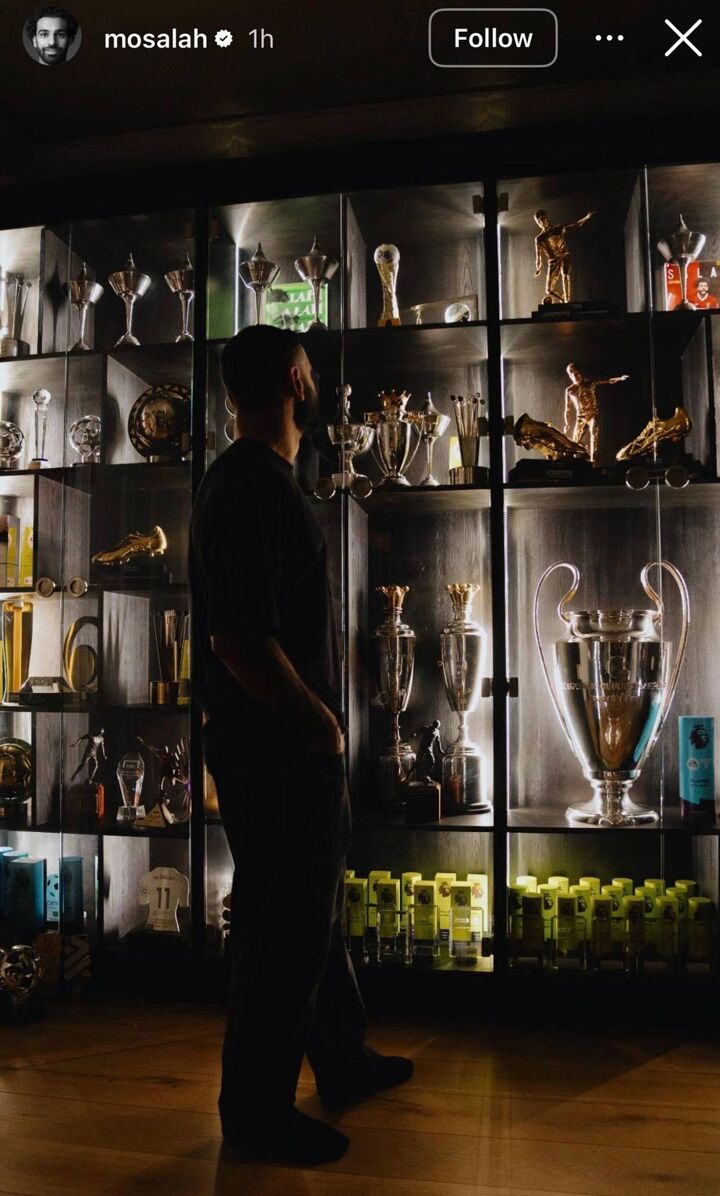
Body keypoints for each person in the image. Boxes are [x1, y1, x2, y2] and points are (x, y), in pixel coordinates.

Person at [189, 325, 412, 1166]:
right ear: (293, 378)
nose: (314, 381)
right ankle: (255, 1115)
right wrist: (317, 724)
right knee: (280, 925)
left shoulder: (256, 481)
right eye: (311, 370)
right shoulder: (252, 486)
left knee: (313, 910)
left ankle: (341, 1058)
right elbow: (238, 638)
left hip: (285, 743)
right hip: (278, 747)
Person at [563, 361, 629, 465]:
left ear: (580, 373)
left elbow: (608, 381)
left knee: (594, 436)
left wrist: (620, 378)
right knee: (575, 441)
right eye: (572, 374)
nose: (575, 376)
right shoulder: (570, 390)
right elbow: (567, 409)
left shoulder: (590, 383)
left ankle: (593, 462)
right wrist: (567, 423)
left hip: (592, 415)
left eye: (576, 373)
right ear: (569, 376)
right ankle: (578, 459)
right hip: (580, 417)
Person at [534, 208, 595, 304]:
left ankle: (567, 300)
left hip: (564, 256)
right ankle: (562, 299)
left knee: (565, 274)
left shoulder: (558, 229)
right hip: (553, 261)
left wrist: (586, 217)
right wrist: (538, 268)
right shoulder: (539, 238)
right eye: (539, 221)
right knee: (549, 290)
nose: (541, 222)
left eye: (542, 219)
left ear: (546, 218)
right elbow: (538, 256)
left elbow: (576, 224)